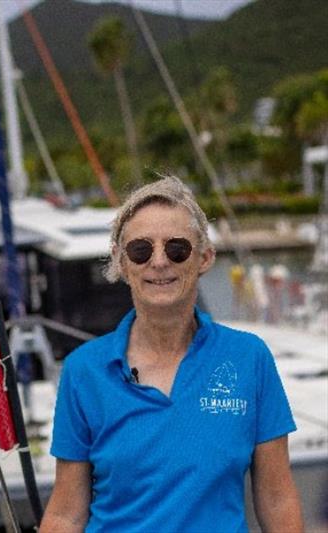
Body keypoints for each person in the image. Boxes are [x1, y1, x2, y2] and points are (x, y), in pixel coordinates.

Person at [40, 176, 303, 532]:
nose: (159, 261)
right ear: (121, 262)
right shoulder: (83, 370)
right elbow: (66, 512)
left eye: (177, 248)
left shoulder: (249, 358)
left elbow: (277, 498)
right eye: (141, 250)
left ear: (205, 257)